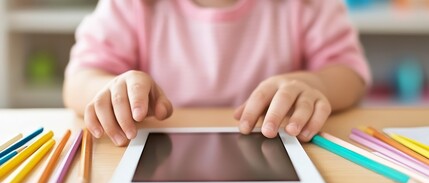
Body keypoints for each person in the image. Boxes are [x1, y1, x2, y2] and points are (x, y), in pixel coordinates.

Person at [64, 0, 371, 146]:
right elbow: (80, 79)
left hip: (278, 151)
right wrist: (111, 89)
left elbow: (349, 74)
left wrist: (314, 84)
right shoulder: (131, 6)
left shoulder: (308, 5)